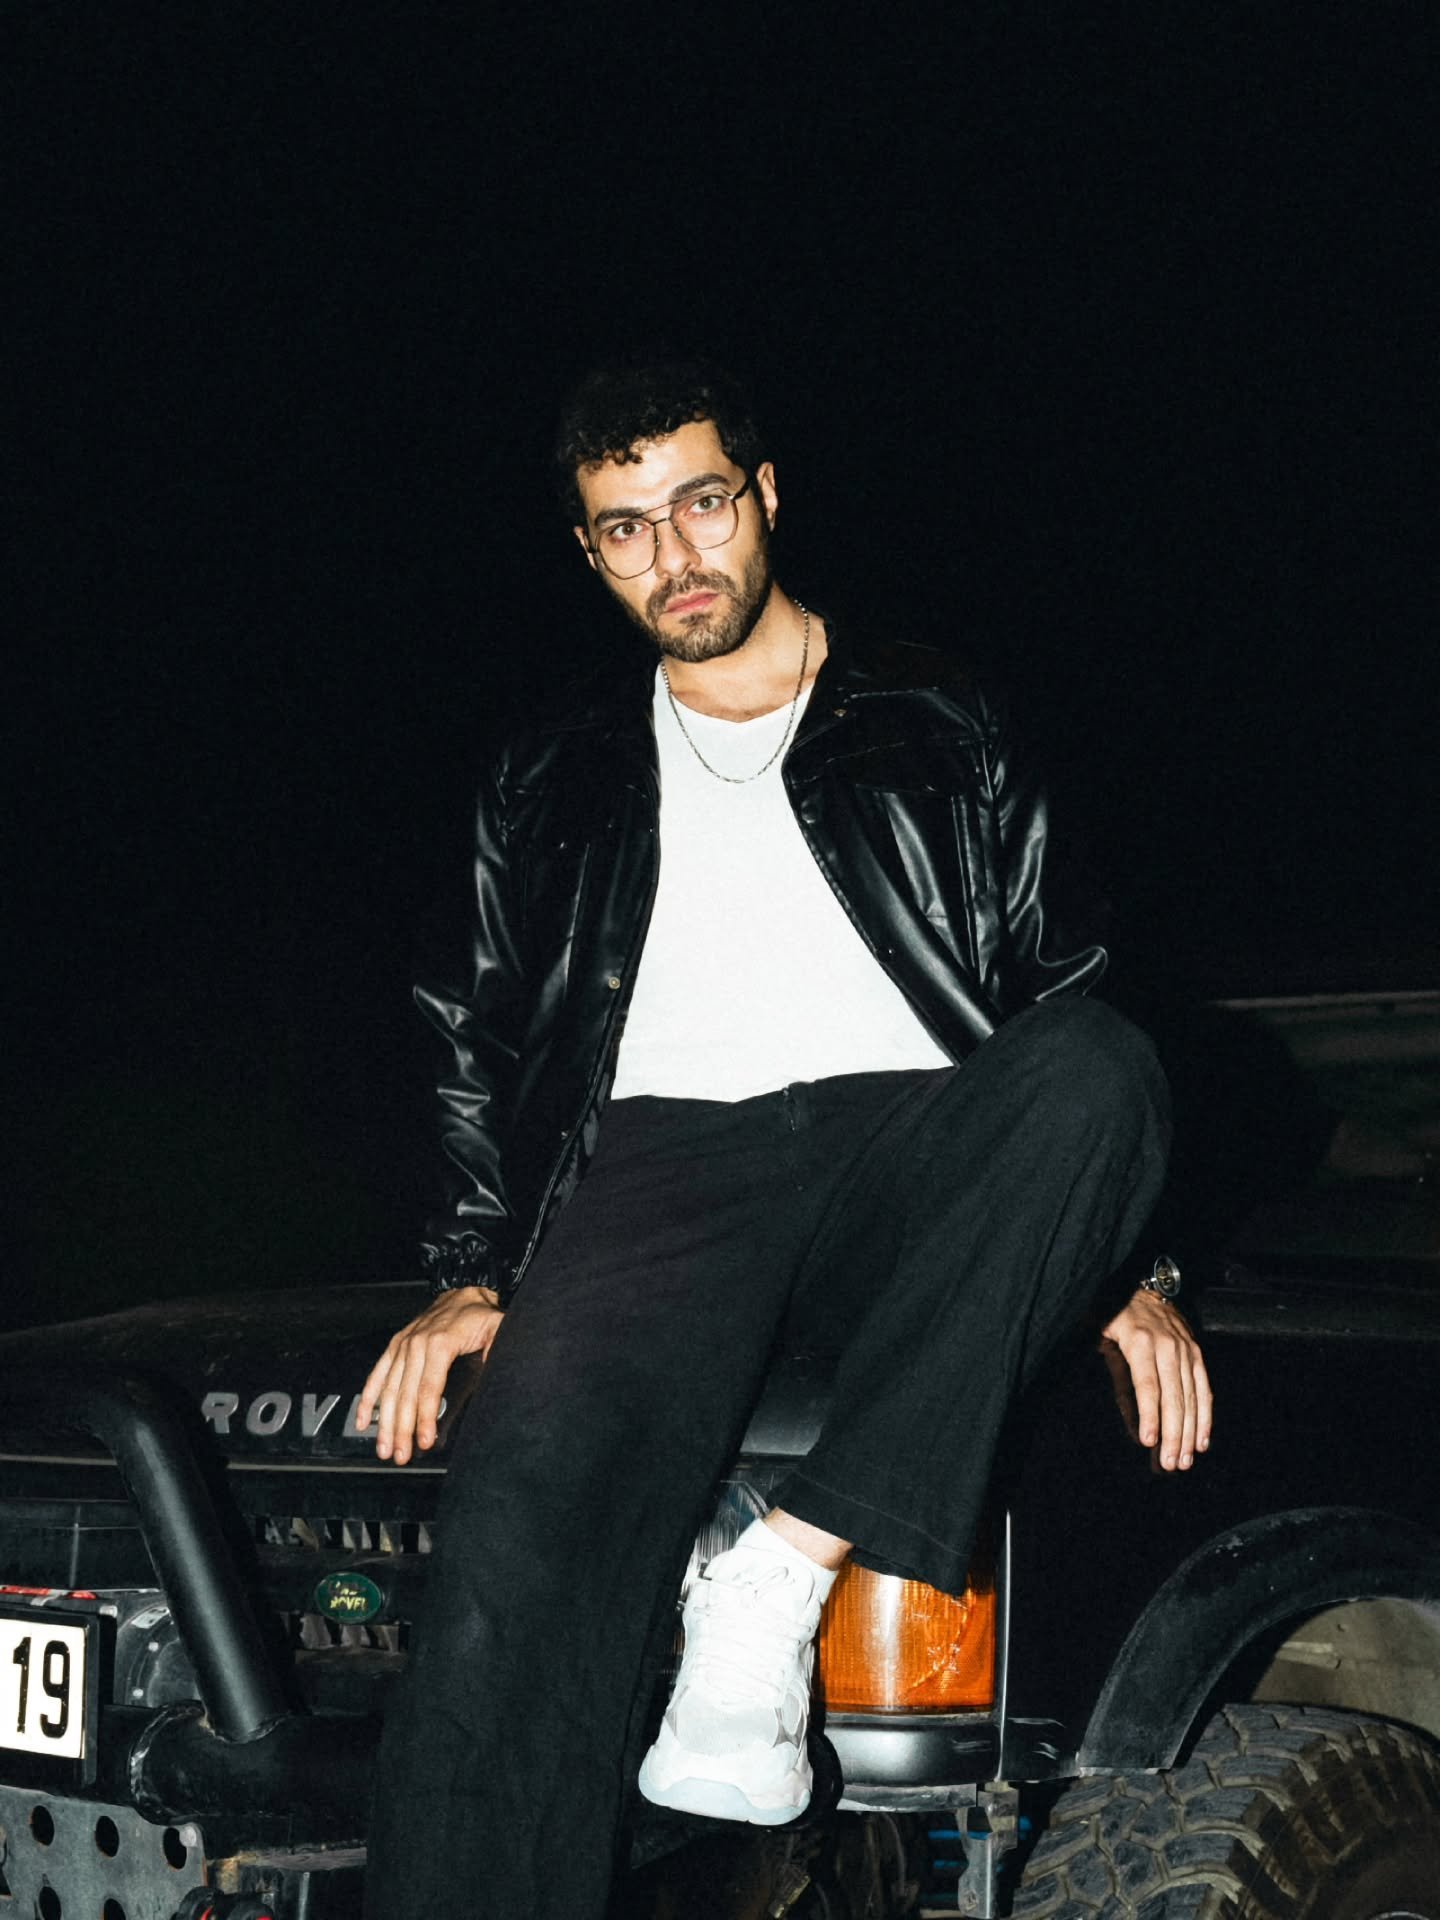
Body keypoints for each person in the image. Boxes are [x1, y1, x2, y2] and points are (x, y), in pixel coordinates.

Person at [358, 362, 1211, 1918]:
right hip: (662, 1171)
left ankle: (778, 1575)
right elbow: (469, 1018)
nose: (675, 556)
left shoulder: (935, 711)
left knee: (1100, 1065)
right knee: (512, 1560)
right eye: (627, 529)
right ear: (591, 553)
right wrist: (474, 1271)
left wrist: (1113, 1264)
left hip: (913, 1145)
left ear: (762, 495)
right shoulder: (555, 766)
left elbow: (1064, 977)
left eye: (699, 504)